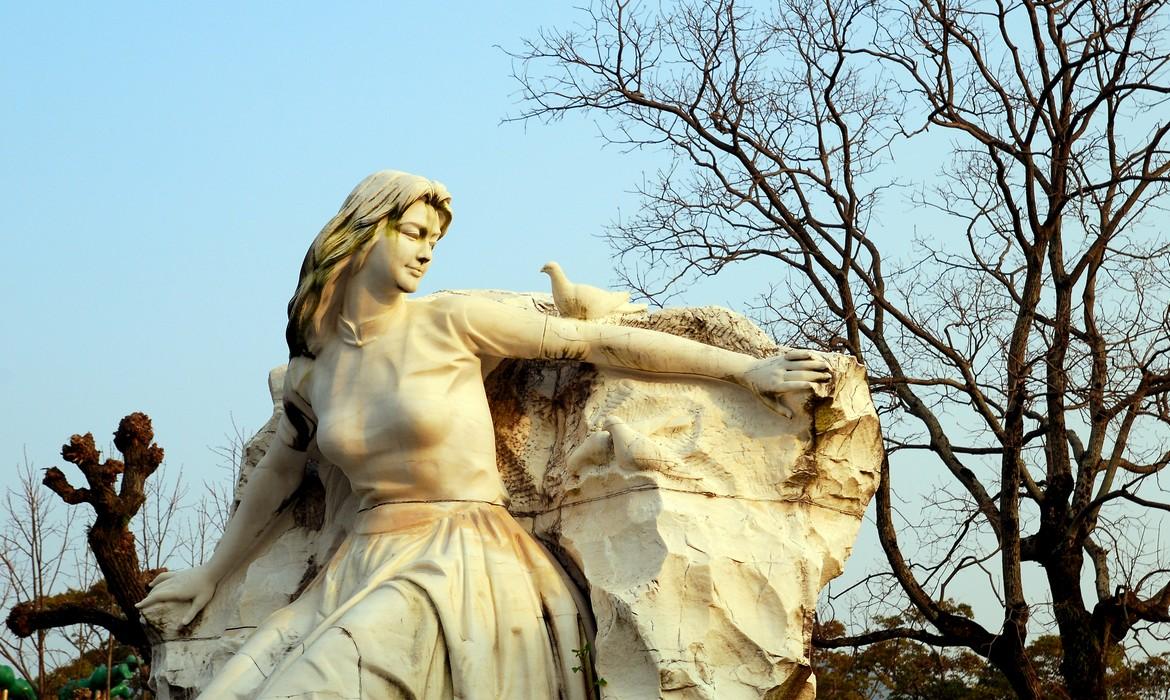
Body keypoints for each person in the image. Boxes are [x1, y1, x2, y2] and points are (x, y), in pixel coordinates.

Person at [136, 170, 832, 699]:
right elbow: (280, 474)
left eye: (434, 242)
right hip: (358, 565)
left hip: (458, 561)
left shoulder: (452, 322)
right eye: (414, 233)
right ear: (363, 232)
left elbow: (596, 343)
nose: (427, 253)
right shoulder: (311, 375)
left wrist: (747, 371)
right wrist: (210, 576)